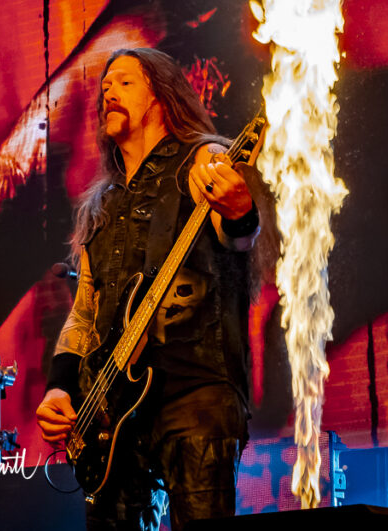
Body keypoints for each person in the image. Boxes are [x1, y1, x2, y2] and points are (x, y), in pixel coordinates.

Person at [36, 47, 260, 530]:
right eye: (105, 88)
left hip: (194, 390)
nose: (109, 93)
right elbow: (85, 309)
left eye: (125, 83)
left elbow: (238, 239)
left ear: (162, 96)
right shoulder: (102, 204)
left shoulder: (203, 157)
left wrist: (241, 209)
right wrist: (59, 386)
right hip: (110, 414)